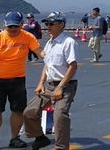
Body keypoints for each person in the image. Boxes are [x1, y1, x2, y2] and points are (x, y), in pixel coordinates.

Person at [0, 11, 43, 150]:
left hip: (18, 79)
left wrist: (53, 59)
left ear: (21, 25)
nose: (13, 29)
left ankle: (14, 138)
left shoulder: (28, 37)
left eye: (16, 26)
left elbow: (40, 52)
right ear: (5, 25)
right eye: (10, 26)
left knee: (18, 110)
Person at [23, 12, 78, 150]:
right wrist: (41, 83)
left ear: (62, 25)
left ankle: (60, 147)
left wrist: (60, 87)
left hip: (66, 85)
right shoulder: (49, 43)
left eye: (51, 24)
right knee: (29, 112)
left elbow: (73, 66)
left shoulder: (68, 42)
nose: (48, 26)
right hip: (49, 85)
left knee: (59, 116)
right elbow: (47, 65)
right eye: (47, 24)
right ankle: (40, 138)